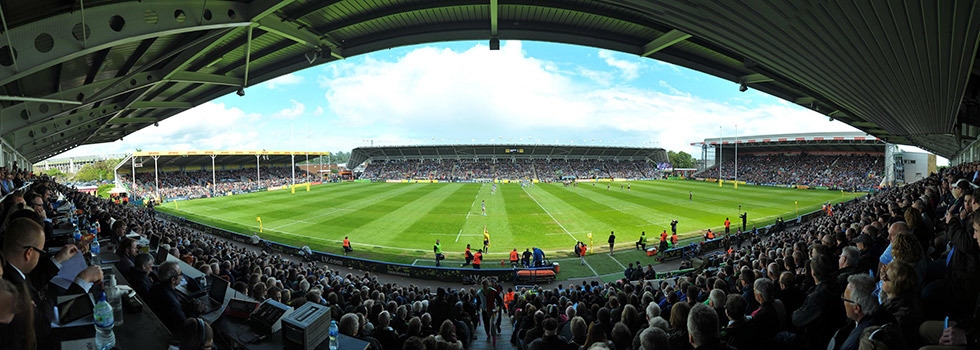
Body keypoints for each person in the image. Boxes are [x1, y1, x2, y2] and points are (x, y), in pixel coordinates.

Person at [0, 218, 103, 349]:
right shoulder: (11, 289)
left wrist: (59, 259)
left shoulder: (11, 269)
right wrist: (82, 281)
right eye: (40, 252)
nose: (40, 256)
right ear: (29, 253)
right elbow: (43, 325)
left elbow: (33, 281)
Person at [149, 261, 193, 335]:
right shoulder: (172, 301)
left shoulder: (155, 287)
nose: (182, 276)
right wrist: (195, 312)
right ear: (173, 280)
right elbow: (184, 325)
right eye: (181, 274)